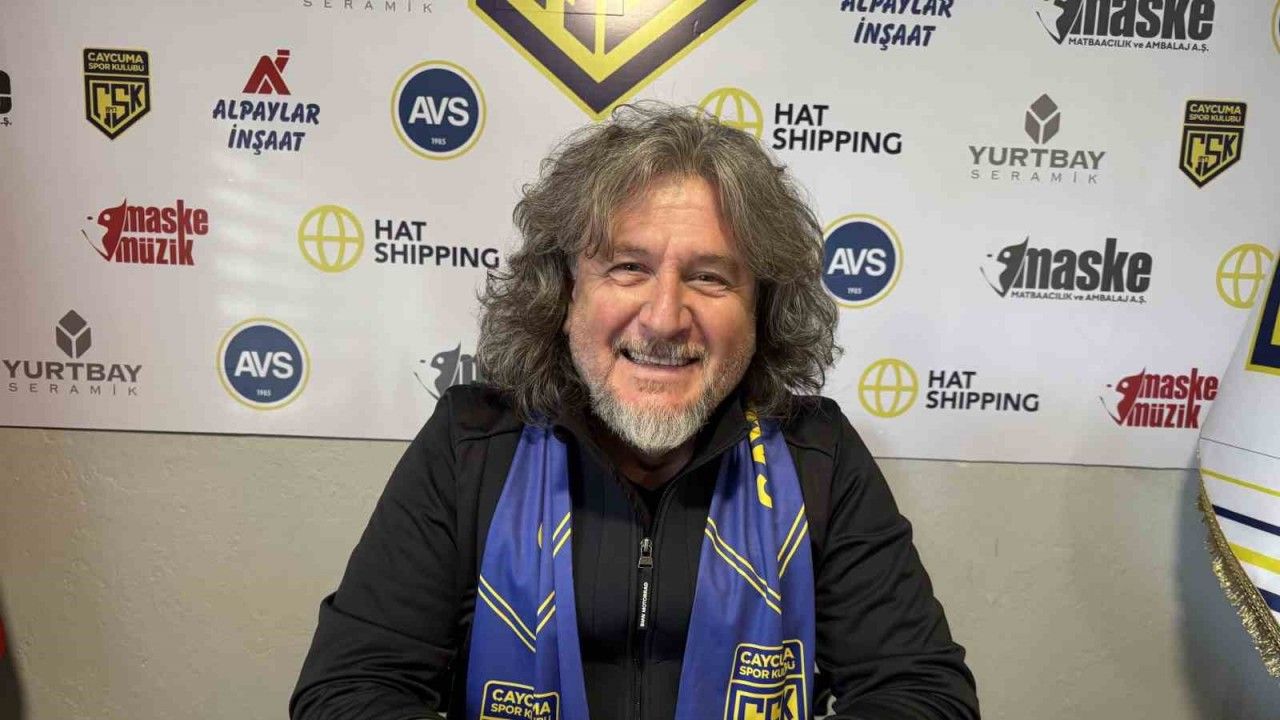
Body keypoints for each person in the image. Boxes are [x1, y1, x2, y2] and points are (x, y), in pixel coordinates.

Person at [290, 104, 979, 720]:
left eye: (709, 276)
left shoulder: (817, 456)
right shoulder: (471, 444)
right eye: (628, 267)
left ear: (760, 309)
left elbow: (925, 694)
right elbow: (347, 692)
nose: (664, 317)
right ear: (566, 292)